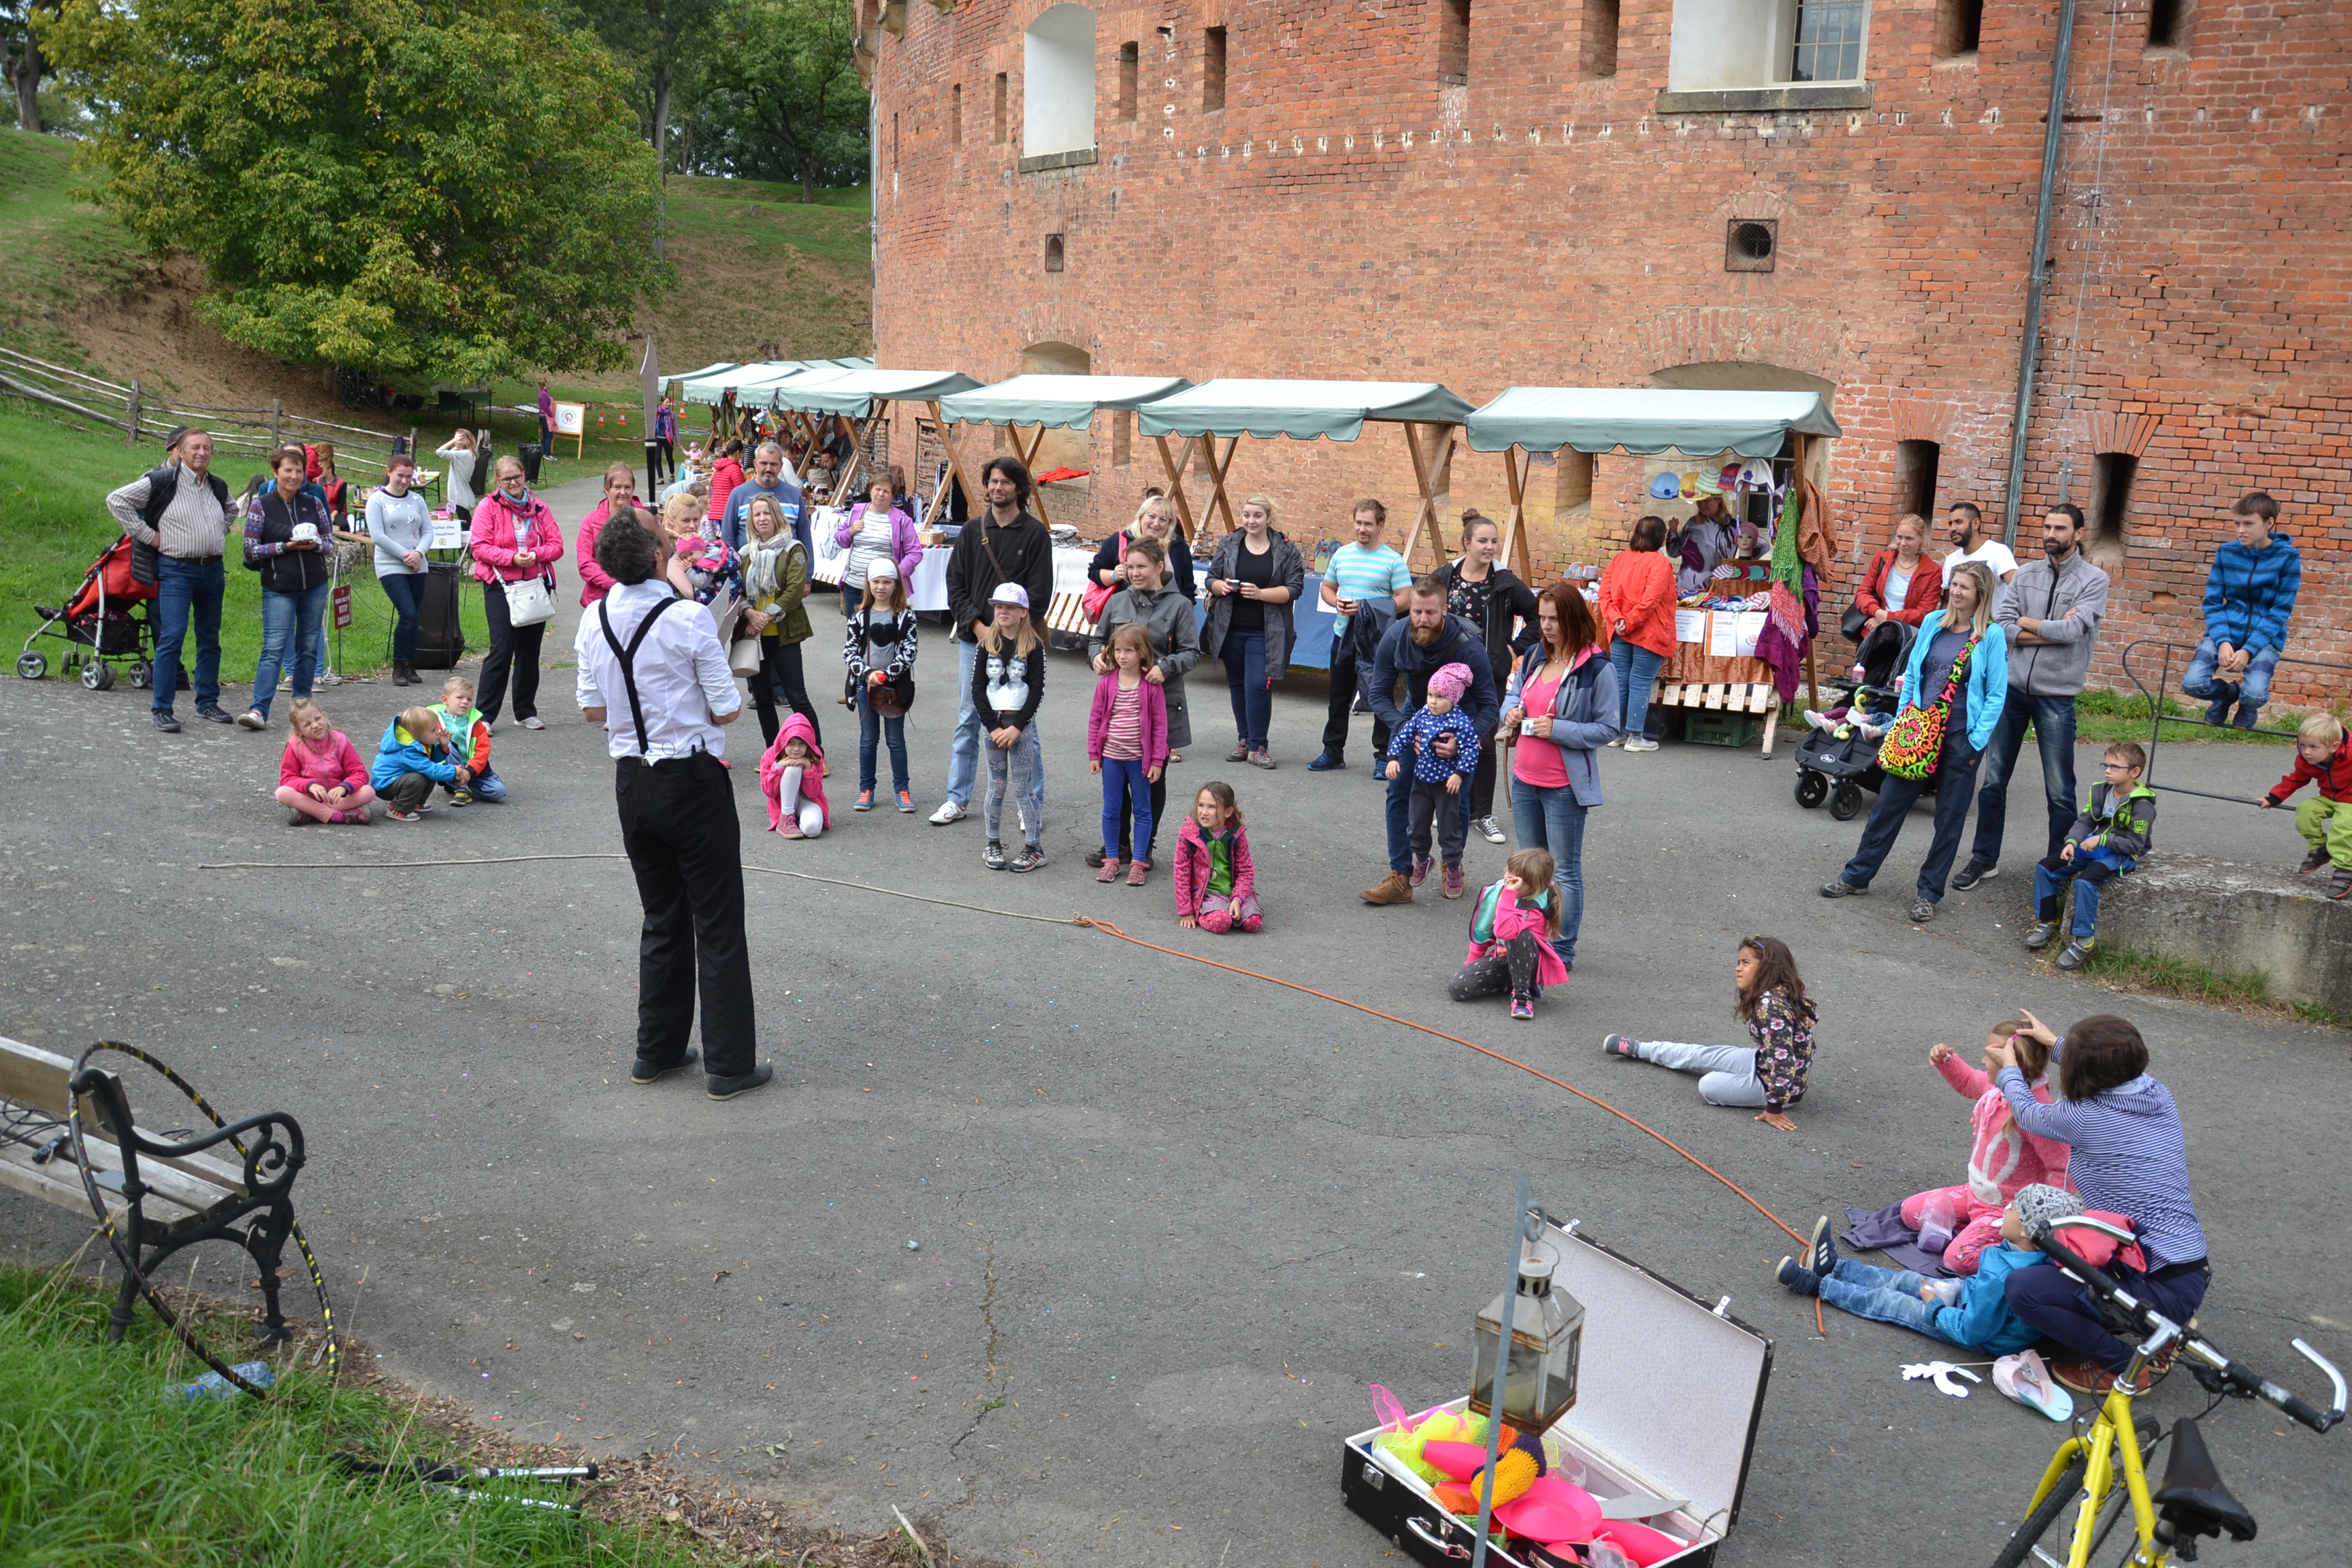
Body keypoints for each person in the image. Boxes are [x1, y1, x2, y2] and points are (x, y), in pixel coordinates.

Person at [574, 511, 771, 1102]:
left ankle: (656, 1050)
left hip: (632, 783)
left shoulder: (593, 617)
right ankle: (729, 1064)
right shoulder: (687, 618)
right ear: (659, 557)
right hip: (689, 780)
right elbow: (728, 708)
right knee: (717, 923)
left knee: (661, 916)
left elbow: (592, 709)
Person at [1989, 1011, 2206, 1396]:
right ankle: (2165, 1329)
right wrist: (2057, 1044)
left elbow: (2028, 1112)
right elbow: (2107, 1073)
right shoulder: (2156, 1093)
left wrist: (2009, 1070)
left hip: (2152, 1283)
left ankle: (2125, 1365)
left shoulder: (2082, 1116)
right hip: (2188, 1269)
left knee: (2025, 1288)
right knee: (2068, 1262)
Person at [1820, 559, 2010, 921]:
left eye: (1965, 587)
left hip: (1961, 738)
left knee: (1949, 820)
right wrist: (1904, 716)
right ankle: (1857, 876)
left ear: (1981, 594)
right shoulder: (1933, 623)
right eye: (1954, 585)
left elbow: (1996, 694)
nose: (1956, 592)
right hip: (1918, 733)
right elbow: (1912, 674)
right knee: (1887, 807)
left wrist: (1977, 739)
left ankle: (1928, 893)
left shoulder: (1991, 635)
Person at [1952, 504, 2110, 892]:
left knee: (2060, 789)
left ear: (2078, 534)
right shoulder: (2026, 575)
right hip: (2012, 690)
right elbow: (2002, 624)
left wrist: (2028, 624)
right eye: (2048, 527)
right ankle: (1984, 859)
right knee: (1993, 781)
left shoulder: (2094, 580)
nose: (2051, 534)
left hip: (2057, 695)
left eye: (2061, 528)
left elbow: (2074, 631)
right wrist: (2042, 629)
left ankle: (2059, 865)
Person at [1777, 1186, 2085, 1360]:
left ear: (2029, 1231)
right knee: (1905, 1279)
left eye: (2015, 1210)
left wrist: (1933, 1306)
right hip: (1971, 1302)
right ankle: (1835, 1266)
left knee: (1895, 1302)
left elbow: (1971, 1331)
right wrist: (1957, 1289)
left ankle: (1816, 1285)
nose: (2006, 1210)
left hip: (1976, 1333)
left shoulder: (2002, 1276)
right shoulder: (2031, 1254)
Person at [1360, 578, 1501, 906]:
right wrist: (1406, 729)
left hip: (1461, 721)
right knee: (1399, 790)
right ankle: (1400, 876)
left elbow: (1490, 707)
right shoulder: (1396, 637)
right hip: (1417, 715)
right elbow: (1377, 694)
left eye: (1430, 613)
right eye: (1417, 612)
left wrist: (1462, 741)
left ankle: (1453, 864)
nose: (1422, 619)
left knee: (1454, 800)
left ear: (1445, 610)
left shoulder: (1469, 646)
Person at [1499, 583, 1617, 968]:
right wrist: (1510, 712)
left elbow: (1608, 728)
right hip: (1524, 779)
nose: (1546, 626)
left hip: (1563, 786)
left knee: (1563, 871)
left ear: (1573, 619)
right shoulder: (1535, 654)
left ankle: (1562, 951)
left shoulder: (1597, 667)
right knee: (1530, 870)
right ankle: (1531, 940)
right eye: (1542, 618)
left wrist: (1559, 729)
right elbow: (1513, 695)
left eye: (1554, 619)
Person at [932, 457, 1053, 826]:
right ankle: (957, 799)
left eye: (1005, 482)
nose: (997, 488)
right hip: (977, 641)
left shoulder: (1035, 534)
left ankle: (1029, 803)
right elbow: (955, 586)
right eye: (992, 482)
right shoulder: (972, 531)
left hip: (1021, 644)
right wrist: (979, 627)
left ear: (1019, 488)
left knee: (1023, 721)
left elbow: (1039, 593)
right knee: (969, 717)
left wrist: (1011, 633)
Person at [1601, 936, 1817, 1132]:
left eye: (1746, 963)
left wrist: (1774, 1107)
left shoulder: (1770, 1006)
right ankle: (1640, 1049)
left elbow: (1785, 1061)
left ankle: (1760, 1091)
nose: (1738, 968)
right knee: (1700, 1054)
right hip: (1763, 1063)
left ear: (1767, 968)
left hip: (1779, 1087)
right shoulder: (1781, 991)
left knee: (1709, 1085)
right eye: (1739, 962)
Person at [1904, 1022, 2070, 1275]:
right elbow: (1970, 1081)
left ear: (2012, 1062)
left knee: (1957, 1259)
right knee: (1910, 1212)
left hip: (2007, 1210)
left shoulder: (2036, 1112)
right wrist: (1947, 1061)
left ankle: (2022, 1250)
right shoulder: (1998, 1088)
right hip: (1976, 1193)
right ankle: (1978, 1229)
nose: (1983, 1060)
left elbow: (2062, 1167)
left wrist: (2040, 1223)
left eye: (1990, 1056)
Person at [108, 426, 235, 732]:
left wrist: (218, 530)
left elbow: (232, 509)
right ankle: (162, 709)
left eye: (207, 447)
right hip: (176, 570)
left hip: (212, 571)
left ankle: (207, 702)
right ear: (180, 451)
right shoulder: (162, 482)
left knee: (209, 637)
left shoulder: (216, 485)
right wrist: (148, 536)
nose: (202, 452)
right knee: (172, 636)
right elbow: (116, 500)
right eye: (195, 447)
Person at [1085, 537, 1200, 868]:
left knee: (1153, 777)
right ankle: (1119, 844)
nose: (1135, 573)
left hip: (1161, 702)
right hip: (1119, 706)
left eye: (1142, 567)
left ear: (1159, 567)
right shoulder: (1117, 601)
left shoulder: (1179, 605)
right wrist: (1096, 658)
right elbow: (1097, 640)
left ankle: (1144, 848)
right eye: (1130, 566)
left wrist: (1166, 667)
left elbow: (1192, 652)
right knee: (1116, 778)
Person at [1442, 510, 1540, 843]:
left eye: (1494, 541)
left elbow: (1537, 617)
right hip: (1448, 675)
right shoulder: (1447, 576)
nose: (1490, 547)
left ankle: (1483, 814)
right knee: (1448, 737)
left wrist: (1514, 649)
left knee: (1483, 741)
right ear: (1466, 543)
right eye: (1482, 541)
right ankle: (1454, 807)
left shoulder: (1505, 582)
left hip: (1488, 675)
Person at [1201, 496, 1307, 770]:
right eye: (1247, 515)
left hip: (1266, 631)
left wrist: (1261, 594)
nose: (1251, 521)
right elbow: (1210, 578)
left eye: (1257, 515)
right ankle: (1245, 740)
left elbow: (1294, 588)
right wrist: (1221, 587)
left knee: (1258, 685)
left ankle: (1259, 746)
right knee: (1238, 685)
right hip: (1230, 628)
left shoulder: (1285, 549)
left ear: (1269, 518)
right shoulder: (1230, 543)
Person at [235, 446, 336, 730]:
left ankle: (302, 708)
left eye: (299, 471)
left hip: (314, 584)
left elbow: (330, 544)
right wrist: (286, 546)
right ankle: (258, 709)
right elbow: (251, 550)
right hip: (279, 586)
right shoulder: (262, 505)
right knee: (274, 648)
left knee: (308, 646)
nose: (294, 476)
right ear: (275, 473)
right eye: (288, 470)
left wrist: (315, 545)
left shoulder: (314, 503)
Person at [2029, 742, 2156, 968]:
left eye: (2115, 767)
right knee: (2046, 867)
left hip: (2121, 854)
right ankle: (2048, 921)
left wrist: (2102, 840)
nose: (2107, 770)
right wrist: (2072, 842)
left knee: (2085, 883)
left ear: (2134, 772)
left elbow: (2135, 844)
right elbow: (2085, 821)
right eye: (2105, 765)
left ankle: (2084, 939)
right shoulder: (2101, 791)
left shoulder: (2142, 804)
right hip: (2094, 845)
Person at [2182, 491, 2302, 730]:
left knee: (2255, 695)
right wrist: (2223, 641)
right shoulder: (2227, 553)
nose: (2241, 530)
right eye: (2237, 524)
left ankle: (2247, 704)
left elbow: (2280, 611)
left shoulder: (2288, 557)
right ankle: (2228, 694)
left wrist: (2248, 650)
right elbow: (2212, 603)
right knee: (2192, 683)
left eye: (2248, 524)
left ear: (2269, 523)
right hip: (2226, 629)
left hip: (2266, 638)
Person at [1311, 499, 1414, 774]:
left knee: (1380, 697)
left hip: (1378, 641)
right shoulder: (1341, 555)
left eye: (1368, 524)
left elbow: (1405, 598)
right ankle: (1332, 752)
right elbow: (1327, 588)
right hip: (1343, 635)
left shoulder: (1393, 560)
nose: (1362, 529)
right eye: (1358, 523)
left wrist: (1368, 608)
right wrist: (1336, 602)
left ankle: (1384, 756)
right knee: (1338, 698)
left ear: (1381, 526)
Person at [468, 454, 565, 730]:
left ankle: (525, 712)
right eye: (507, 479)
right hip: (500, 584)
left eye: (517, 477)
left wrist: (536, 555)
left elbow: (557, 545)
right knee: (501, 650)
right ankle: (484, 717)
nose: (513, 483)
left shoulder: (540, 508)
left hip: (534, 584)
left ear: (524, 475)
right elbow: (479, 547)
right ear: (498, 481)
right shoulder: (488, 506)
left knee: (529, 652)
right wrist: (511, 558)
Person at [1386, 662, 1482, 896]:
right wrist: (1393, 758)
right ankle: (1423, 858)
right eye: (1430, 695)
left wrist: (1459, 774)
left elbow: (1472, 750)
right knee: (1416, 826)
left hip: (1447, 785)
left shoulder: (1461, 721)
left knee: (1449, 830)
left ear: (1454, 699)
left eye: (1440, 697)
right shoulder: (1422, 714)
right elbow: (1404, 734)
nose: (1433, 701)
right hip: (1422, 782)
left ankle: (1453, 867)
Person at [973, 583, 1047, 872]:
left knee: (1022, 786)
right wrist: (992, 727)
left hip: (1020, 726)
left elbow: (1037, 691)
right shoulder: (985, 646)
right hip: (993, 726)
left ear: (1023, 612)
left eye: (1010, 607)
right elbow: (977, 690)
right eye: (998, 607)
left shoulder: (1034, 646)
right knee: (997, 784)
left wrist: (1017, 726)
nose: (1003, 611)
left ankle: (1034, 847)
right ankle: (992, 843)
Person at [1089, 625, 1170, 886]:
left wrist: (1157, 760)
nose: (1122, 656)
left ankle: (1138, 862)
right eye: (1118, 650)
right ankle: (1112, 859)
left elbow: (1160, 726)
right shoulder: (1106, 683)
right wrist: (1094, 754)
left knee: (1143, 810)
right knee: (1111, 809)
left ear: (1143, 652)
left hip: (1139, 761)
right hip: (1111, 758)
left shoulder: (1151, 686)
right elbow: (1095, 720)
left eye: (1129, 651)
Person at [1449, 847, 1570, 1021]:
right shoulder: (1498, 892)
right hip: (1503, 959)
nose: (1510, 881)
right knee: (1458, 988)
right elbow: (1484, 929)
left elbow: (1504, 931)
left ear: (1535, 887)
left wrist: (1509, 895)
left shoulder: (1534, 906)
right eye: (1510, 874)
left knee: (1517, 933)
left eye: (1519, 881)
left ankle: (1522, 994)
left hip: (1529, 963)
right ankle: (1510, 985)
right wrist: (1471, 963)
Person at [738, 493, 816, 748]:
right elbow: (737, 591)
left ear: (777, 517)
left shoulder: (794, 549)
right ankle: (772, 752)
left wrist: (765, 616)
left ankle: (815, 752)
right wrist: (749, 613)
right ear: (751, 520)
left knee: (797, 697)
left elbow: (794, 592)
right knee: (762, 698)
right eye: (757, 514)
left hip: (784, 635)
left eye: (767, 513)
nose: (762, 518)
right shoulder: (745, 554)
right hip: (754, 637)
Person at [1595, 514, 1676, 752]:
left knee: (1621, 681)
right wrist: (1629, 622)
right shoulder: (1660, 563)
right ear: (1660, 538)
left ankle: (1616, 733)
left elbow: (1604, 595)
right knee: (1640, 683)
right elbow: (1650, 601)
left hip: (1619, 630)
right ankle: (1636, 737)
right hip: (1648, 632)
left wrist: (1618, 619)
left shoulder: (1619, 559)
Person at [843, 557, 918, 812]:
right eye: (876, 582)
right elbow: (849, 652)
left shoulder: (906, 616)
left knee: (896, 740)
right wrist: (868, 674)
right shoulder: (859, 616)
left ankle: (902, 790)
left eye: (887, 582)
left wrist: (887, 675)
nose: (881, 587)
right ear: (869, 584)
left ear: (896, 585)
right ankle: (866, 789)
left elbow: (909, 651)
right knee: (868, 739)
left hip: (894, 688)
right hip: (866, 686)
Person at [2260, 713, 2352, 900]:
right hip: (2329, 797)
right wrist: (2274, 797)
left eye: (2313, 747)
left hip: (2350, 802)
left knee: (2343, 826)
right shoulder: (2306, 759)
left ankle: (2345, 869)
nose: (2306, 752)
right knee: (2305, 810)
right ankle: (2321, 848)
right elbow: (2297, 778)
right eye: (2303, 745)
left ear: (2334, 747)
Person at [367, 452, 434, 686]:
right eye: (400, 476)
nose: (404, 481)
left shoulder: (417, 500)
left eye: (409, 477)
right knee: (407, 613)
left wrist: (419, 554)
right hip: (391, 564)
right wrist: (406, 556)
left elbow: (428, 531)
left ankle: (411, 664)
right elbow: (378, 536)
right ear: (389, 473)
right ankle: (399, 665)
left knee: (415, 615)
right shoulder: (377, 501)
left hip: (418, 564)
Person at [834, 468, 921, 619]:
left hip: (883, 590)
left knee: (881, 630)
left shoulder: (901, 520)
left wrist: (897, 573)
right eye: (877, 489)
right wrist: (851, 531)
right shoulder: (857, 512)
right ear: (871, 491)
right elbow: (840, 540)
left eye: (886, 491)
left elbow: (915, 553)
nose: (881, 494)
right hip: (855, 585)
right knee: (855, 629)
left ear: (892, 496)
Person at [1174, 781, 1261, 933]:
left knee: (1253, 923)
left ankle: (1230, 908)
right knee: (1221, 922)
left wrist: (1238, 899)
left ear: (1228, 812)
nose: (1204, 812)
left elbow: (1246, 871)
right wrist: (1186, 910)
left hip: (1232, 890)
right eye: (1201, 805)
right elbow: (1181, 871)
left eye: (1212, 807)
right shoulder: (1189, 832)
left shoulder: (1236, 834)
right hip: (1206, 893)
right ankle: (1203, 914)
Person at [273, 697, 375, 825]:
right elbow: (287, 779)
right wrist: (310, 785)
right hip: (309, 798)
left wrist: (344, 788)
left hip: (337, 798)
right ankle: (338, 816)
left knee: (368, 791)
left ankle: (310, 813)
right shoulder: (295, 746)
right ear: (298, 730)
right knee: (282, 793)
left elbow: (360, 773)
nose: (315, 725)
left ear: (324, 716)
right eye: (307, 724)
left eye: (318, 719)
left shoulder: (340, 740)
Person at [1090, 491, 1197, 606]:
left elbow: (1188, 588)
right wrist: (1114, 576)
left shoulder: (1178, 547)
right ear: (1141, 516)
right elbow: (1094, 572)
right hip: (1127, 611)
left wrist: (1185, 611)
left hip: (1169, 613)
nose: (1156, 524)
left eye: (1163, 520)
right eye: (1151, 516)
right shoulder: (1120, 540)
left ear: (1169, 524)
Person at [370, 704, 468, 822]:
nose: (438, 732)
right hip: (386, 786)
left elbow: (430, 760)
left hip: (398, 779)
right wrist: (454, 771)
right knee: (418, 778)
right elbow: (430, 769)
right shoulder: (408, 750)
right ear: (417, 734)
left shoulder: (420, 743)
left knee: (429, 772)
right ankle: (398, 809)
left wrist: (443, 746)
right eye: (433, 730)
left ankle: (416, 803)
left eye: (436, 728)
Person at [1852, 512, 1946, 634]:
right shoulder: (1882, 560)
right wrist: (1876, 612)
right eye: (1899, 537)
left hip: (1906, 635)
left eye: (1909, 539)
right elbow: (1863, 593)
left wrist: (1887, 618)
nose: (1903, 543)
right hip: (1874, 631)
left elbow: (1923, 612)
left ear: (1921, 538)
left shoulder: (1933, 572)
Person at [427, 675, 504, 804]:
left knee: (498, 792)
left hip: (472, 770)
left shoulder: (476, 723)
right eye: (460, 697)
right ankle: (461, 787)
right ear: (445, 700)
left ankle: (457, 784)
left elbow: (482, 751)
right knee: (447, 746)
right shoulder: (433, 719)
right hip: (448, 767)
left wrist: (470, 771)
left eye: (469, 699)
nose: (465, 702)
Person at [573, 463, 641, 608]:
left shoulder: (646, 519)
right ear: (606, 489)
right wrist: (617, 584)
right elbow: (585, 564)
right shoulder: (590, 521)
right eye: (617, 487)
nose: (623, 492)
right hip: (601, 597)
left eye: (627, 487)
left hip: (639, 595)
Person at [723, 440, 807, 557]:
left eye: (774, 464)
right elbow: (727, 538)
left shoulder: (794, 495)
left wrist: (807, 568)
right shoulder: (738, 495)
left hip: (789, 568)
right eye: (763, 463)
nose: (768, 469)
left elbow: (805, 538)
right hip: (747, 566)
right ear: (755, 464)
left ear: (781, 466)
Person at [758, 714, 830, 839]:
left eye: (802, 744)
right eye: (791, 743)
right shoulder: (771, 754)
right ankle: (786, 818)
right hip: (782, 803)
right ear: (783, 741)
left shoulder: (815, 755)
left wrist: (809, 769)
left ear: (808, 744)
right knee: (793, 768)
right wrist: (779, 767)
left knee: (812, 830)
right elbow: (770, 792)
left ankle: (798, 820)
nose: (796, 749)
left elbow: (813, 793)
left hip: (808, 799)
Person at [1667, 491, 1737, 595]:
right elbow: (1673, 553)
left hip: (1715, 589)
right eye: (1699, 501)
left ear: (1718, 499)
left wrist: (1743, 566)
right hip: (1684, 588)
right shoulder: (1693, 522)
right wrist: (1673, 533)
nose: (1702, 505)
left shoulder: (1732, 526)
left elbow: (1761, 545)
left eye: (1706, 501)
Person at [1940, 500, 2018, 586]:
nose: (1953, 528)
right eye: (1950, 524)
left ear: (1976, 524)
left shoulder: (1998, 552)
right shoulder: (1951, 560)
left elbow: (2017, 589)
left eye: (1959, 522)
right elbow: (1948, 595)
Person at [435, 429, 480, 521]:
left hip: (460, 495)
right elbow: (451, 453)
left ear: (463, 440)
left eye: (456, 438)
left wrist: (452, 442)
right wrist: (457, 445)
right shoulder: (468, 453)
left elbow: (440, 452)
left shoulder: (462, 455)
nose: (455, 440)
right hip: (461, 494)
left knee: (467, 523)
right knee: (465, 519)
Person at [705, 440, 747, 534]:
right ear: (738, 452)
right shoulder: (734, 469)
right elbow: (741, 491)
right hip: (729, 510)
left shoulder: (719, 468)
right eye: (742, 453)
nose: (742, 456)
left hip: (717, 510)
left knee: (723, 537)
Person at [653, 395, 678, 483]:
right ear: (662, 402)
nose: (668, 404)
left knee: (669, 458)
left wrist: (679, 442)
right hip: (658, 438)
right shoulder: (656, 413)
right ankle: (661, 478)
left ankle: (672, 474)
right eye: (667, 402)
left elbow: (675, 428)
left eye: (669, 402)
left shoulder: (671, 414)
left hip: (668, 439)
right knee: (657, 458)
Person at [536, 378, 557, 459]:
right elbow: (545, 407)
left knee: (546, 434)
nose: (549, 385)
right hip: (545, 417)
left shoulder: (542, 393)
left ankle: (545, 452)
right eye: (548, 383)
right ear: (546, 384)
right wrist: (551, 415)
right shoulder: (544, 395)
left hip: (543, 416)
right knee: (549, 435)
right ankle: (547, 454)